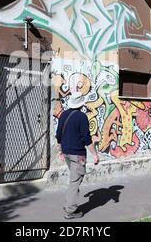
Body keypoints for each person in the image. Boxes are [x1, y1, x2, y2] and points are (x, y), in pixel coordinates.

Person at [56, 92, 99, 220]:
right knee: (75, 182)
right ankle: (70, 210)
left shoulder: (63, 115)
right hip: (77, 155)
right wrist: (95, 155)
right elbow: (87, 138)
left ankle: (70, 204)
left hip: (67, 153)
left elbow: (58, 135)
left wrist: (60, 151)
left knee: (74, 180)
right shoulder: (82, 117)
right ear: (81, 104)